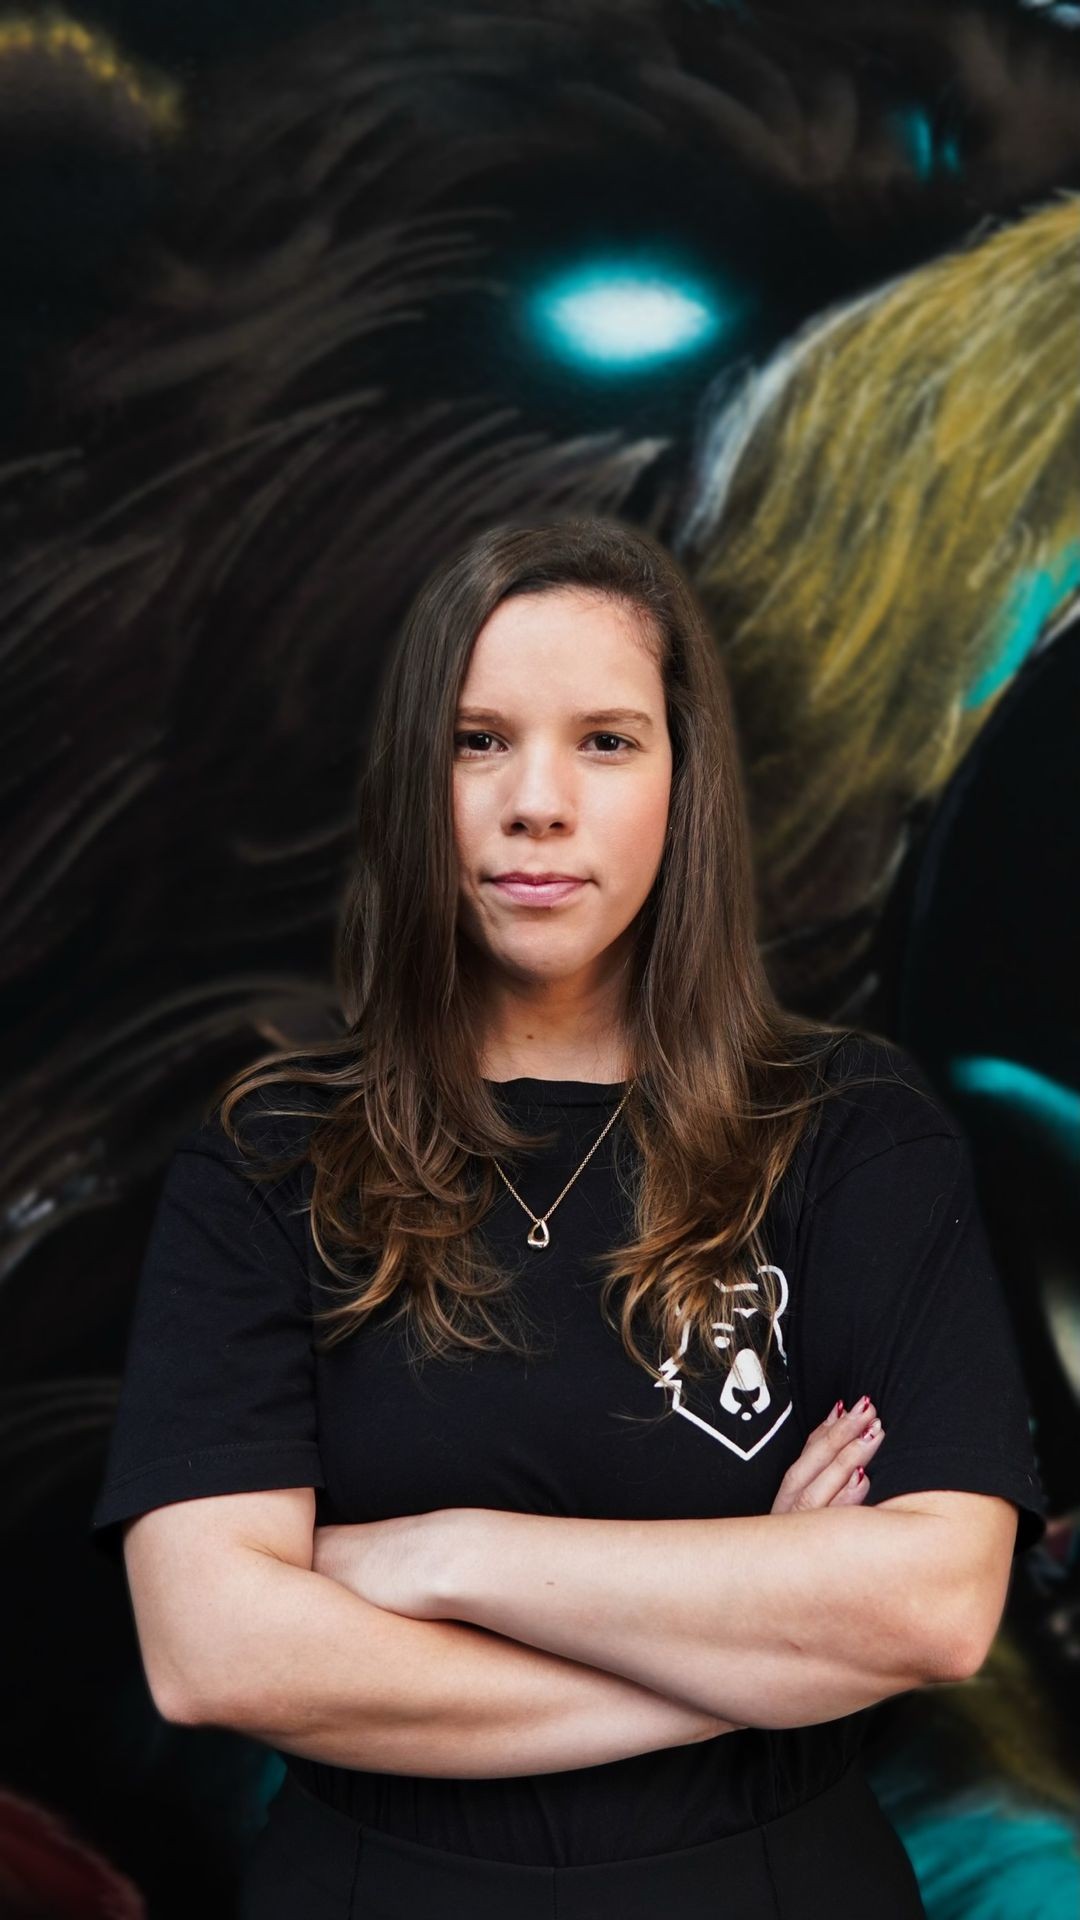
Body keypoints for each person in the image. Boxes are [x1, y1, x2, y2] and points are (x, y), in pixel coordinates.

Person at [90, 514, 1048, 1919]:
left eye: (606, 740)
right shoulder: (271, 1159)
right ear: (413, 780)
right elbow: (216, 1655)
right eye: (478, 739)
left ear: (685, 781)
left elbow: (933, 1610)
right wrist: (748, 1655)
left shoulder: (851, 1129)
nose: (537, 801)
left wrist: (439, 1556)